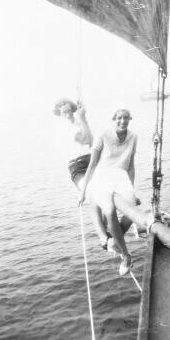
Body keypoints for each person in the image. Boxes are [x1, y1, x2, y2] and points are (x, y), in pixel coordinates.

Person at [78, 109, 138, 276]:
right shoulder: (103, 134)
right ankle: (126, 256)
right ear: (114, 120)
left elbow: (131, 166)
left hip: (121, 177)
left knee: (132, 212)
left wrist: (132, 189)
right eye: (119, 118)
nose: (123, 121)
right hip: (102, 176)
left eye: (126, 118)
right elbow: (92, 164)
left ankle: (111, 238)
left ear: (130, 119)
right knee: (110, 211)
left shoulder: (133, 136)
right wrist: (83, 192)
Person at [54, 98, 114, 253]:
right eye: (63, 112)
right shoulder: (64, 129)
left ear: (73, 110)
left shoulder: (77, 124)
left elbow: (92, 143)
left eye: (69, 111)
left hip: (91, 161)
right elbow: (87, 139)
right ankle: (103, 237)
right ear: (60, 115)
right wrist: (83, 119)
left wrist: (83, 119)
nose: (67, 114)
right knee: (92, 194)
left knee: (107, 193)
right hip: (77, 166)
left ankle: (108, 229)